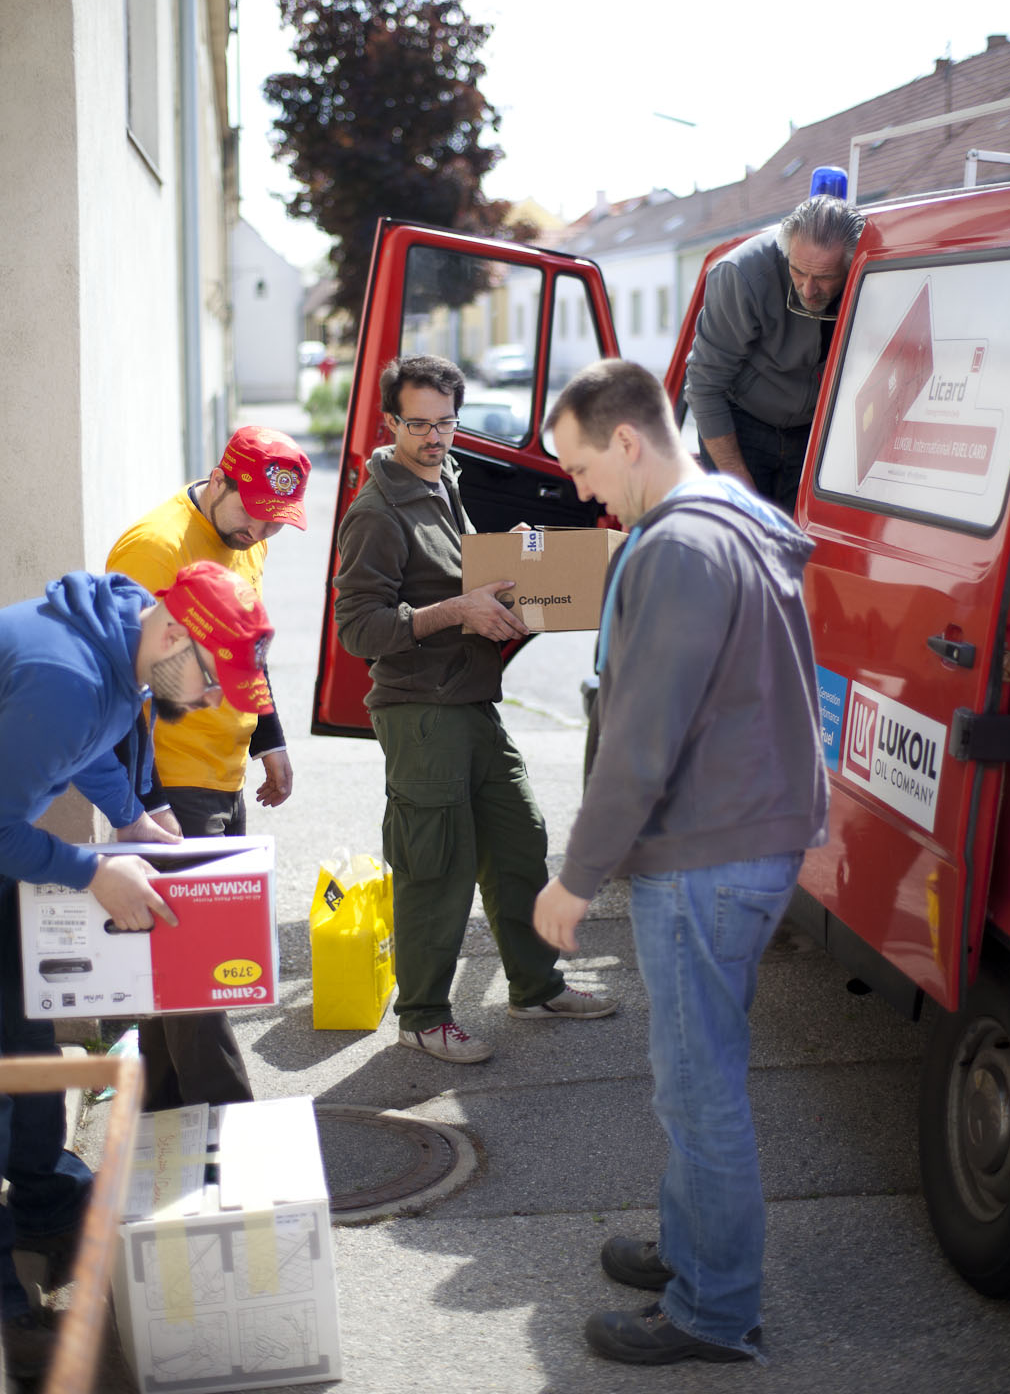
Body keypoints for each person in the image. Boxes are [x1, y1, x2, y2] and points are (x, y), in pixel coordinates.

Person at [535, 359, 828, 1366]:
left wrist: (575, 876)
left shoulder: (680, 549)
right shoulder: (726, 516)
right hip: (745, 836)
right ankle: (691, 1251)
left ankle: (713, 1309)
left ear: (626, 440)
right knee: (692, 1075)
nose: (578, 490)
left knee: (697, 1086)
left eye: (579, 465)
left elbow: (642, 737)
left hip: (709, 850)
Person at [0, 559, 275, 1382]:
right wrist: (94, 870)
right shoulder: (67, 676)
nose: (206, 700)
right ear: (177, 635)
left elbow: (87, 747)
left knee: (25, 1022)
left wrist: (134, 819)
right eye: (209, 680)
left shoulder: (124, 648)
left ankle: (46, 1197)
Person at [333, 354, 616, 1064]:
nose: (434, 437)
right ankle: (423, 1014)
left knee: (520, 837)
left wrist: (518, 581)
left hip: (471, 699)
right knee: (437, 866)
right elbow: (358, 628)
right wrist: (454, 611)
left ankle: (534, 983)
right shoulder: (376, 512)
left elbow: (464, 580)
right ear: (390, 422)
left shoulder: (446, 481)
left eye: (446, 423)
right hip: (420, 711)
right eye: (418, 424)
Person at [106, 425, 310, 1110]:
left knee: (172, 968)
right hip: (171, 784)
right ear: (218, 480)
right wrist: (147, 803)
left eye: (275, 522)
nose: (258, 529)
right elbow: (118, 685)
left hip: (221, 775)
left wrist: (268, 738)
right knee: (204, 969)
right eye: (249, 510)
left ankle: (161, 1122)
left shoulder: (244, 540)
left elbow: (244, 646)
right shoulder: (154, 548)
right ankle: (234, 1128)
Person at [684, 194, 864, 512]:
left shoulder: (867, 273)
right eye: (798, 272)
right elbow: (703, 388)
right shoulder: (740, 276)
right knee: (745, 536)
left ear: (850, 267)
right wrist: (740, 490)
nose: (809, 290)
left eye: (825, 277)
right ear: (786, 252)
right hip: (740, 427)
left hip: (813, 431)